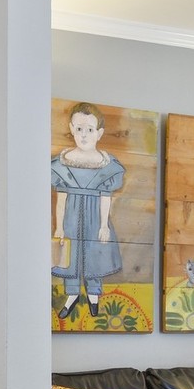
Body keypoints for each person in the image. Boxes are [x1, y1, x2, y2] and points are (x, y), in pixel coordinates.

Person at [52, 103, 125, 319]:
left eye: (90, 130)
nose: (84, 135)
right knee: (70, 258)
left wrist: (104, 225)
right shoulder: (62, 163)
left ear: (99, 133)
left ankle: (94, 297)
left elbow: (106, 196)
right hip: (71, 219)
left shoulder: (106, 165)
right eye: (79, 129)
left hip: (95, 219)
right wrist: (59, 227)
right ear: (71, 128)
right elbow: (61, 200)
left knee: (95, 257)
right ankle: (72, 296)